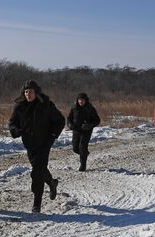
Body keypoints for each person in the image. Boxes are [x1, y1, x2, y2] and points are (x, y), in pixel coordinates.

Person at [9, 80, 65, 213]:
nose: (28, 94)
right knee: (39, 168)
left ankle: (37, 203)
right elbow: (12, 123)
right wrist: (16, 130)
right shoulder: (19, 107)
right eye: (26, 92)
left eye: (31, 91)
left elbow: (60, 121)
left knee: (36, 172)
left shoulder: (46, 105)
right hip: (30, 144)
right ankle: (52, 183)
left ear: (36, 92)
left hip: (45, 143)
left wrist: (52, 135)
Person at [67, 92, 100, 171]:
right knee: (75, 148)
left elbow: (97, 120)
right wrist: (70, 125)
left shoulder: (90, 108)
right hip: (76, 130)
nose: (81, 102)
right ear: (77, 100)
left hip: (86, 131)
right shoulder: (74, 107)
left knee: (82, 147)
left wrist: (89, 125)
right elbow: (69, 118)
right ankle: (85, 154)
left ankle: (83, 166)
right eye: (79, 100)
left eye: (82, 100)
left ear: (86, 100)